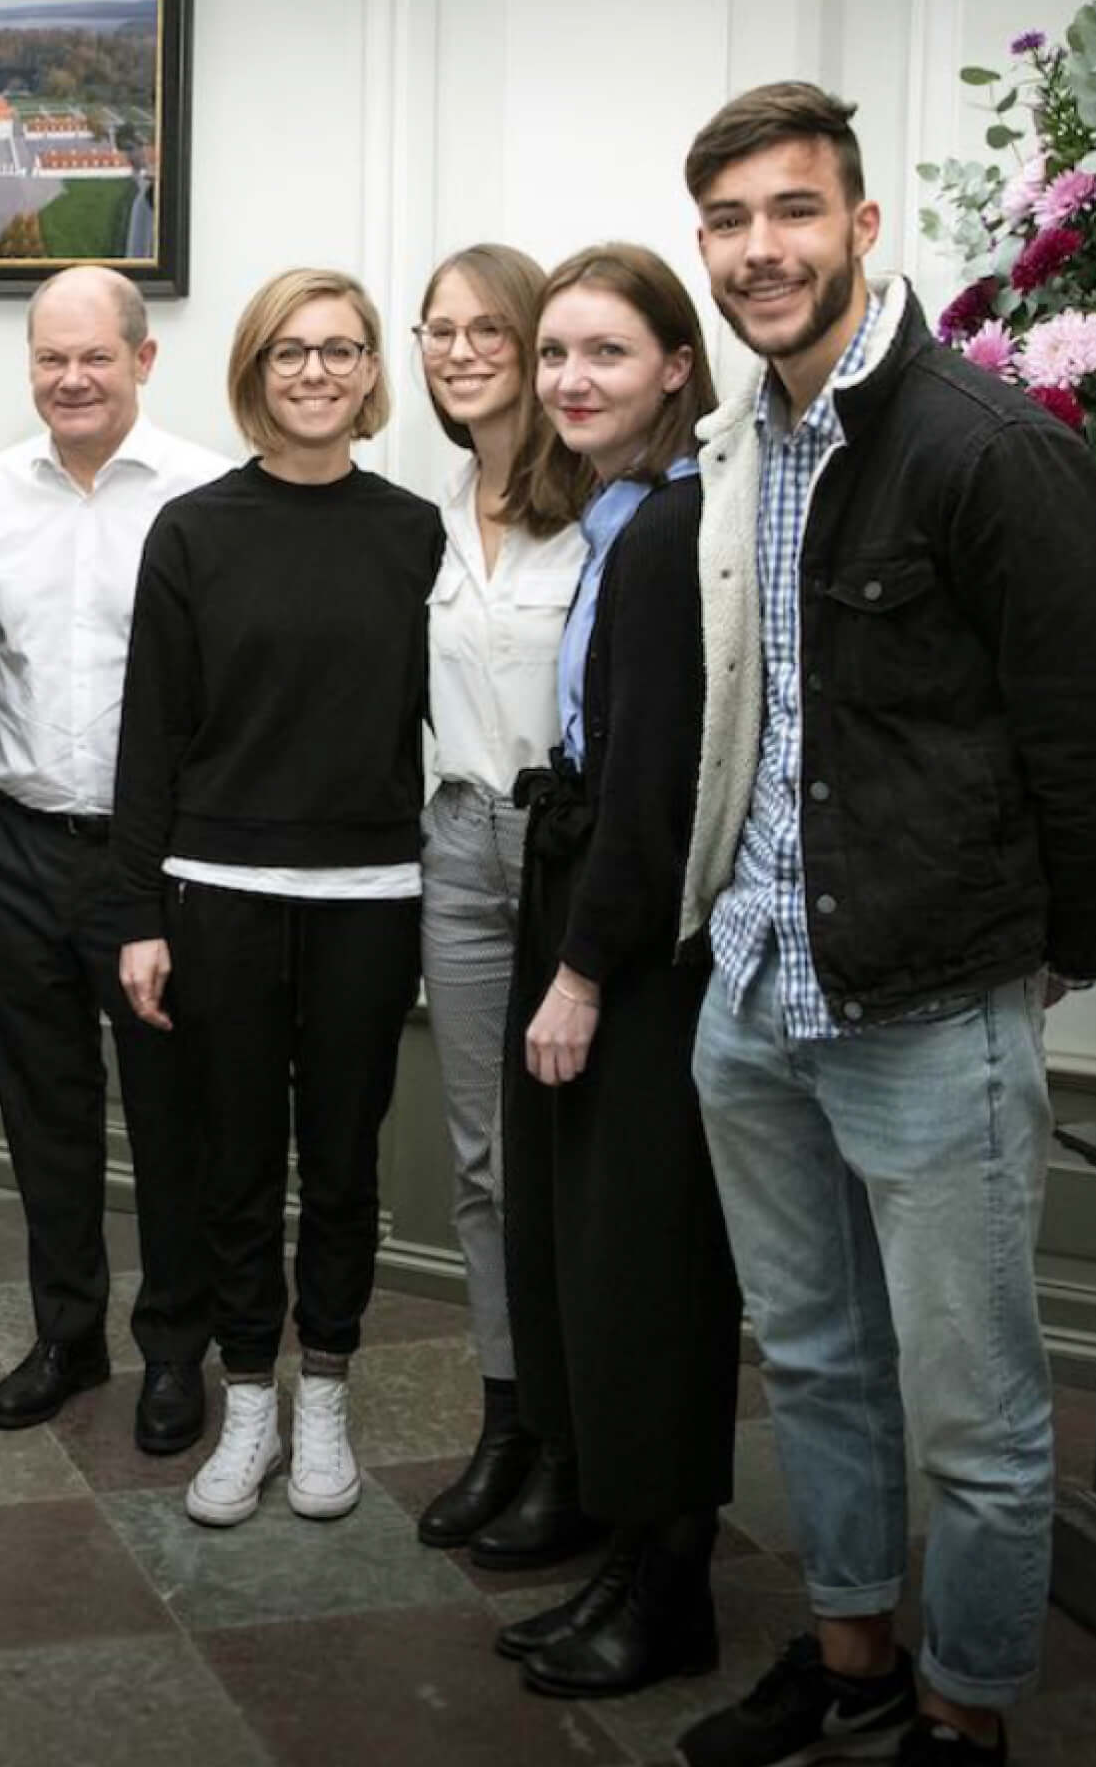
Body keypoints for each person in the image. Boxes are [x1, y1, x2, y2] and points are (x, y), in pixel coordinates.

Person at [665, 83, 1096, 1767]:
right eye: (728, 223)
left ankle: (962, 1710)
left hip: (930, 1005)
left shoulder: (985, 444)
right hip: (752, 989)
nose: (759, 251)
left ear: (862, 227)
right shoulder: (746, 438)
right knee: (811, 1365)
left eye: (791, 213)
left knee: (979, 1418)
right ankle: (855, 1652)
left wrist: (1044, 955)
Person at [112, 267, 446, 1529]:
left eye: (343, 350)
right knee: (235, 1165)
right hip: (220, 894)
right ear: (253, 371)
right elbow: (150, 739)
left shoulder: (417, 530)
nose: (317, 371)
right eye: (291, 351)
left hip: (372, 892)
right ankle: (245, 1396)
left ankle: (326, 1399)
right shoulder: (194, 531)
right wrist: (138, 913)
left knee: (345, 1162)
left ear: (372, 375)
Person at [490, 243, 740, 1698]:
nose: (571, 381)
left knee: (646, 1262)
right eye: (556, 356)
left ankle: (672, 1589)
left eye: (606, 356)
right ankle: (621, 1546)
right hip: (575, 884)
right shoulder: (623, 512)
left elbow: (656, 783)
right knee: (581, 1242)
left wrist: (582, 974)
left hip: (634, 937)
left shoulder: (673, 532)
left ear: (675, 370)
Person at [0, 266, 227, 1456]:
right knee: (41, 1108)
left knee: (171, 1120)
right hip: (17, 846)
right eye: (50, 358)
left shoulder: (207, 493)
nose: (70, 379)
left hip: (155, 869)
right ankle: (67, 1333)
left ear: (143, 362)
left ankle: (174, 1351)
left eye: (94, 356)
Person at [399, 243, 596, 1558]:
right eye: (437, 329)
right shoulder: (425, 514)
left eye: (487, 328)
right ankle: (508, 1421)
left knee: (582, 1171)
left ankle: (583, 1449)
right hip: (457, 853)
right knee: (484, 1165)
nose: (459, 349)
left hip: (571, 857)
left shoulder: (610, 508)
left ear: (535, 341)